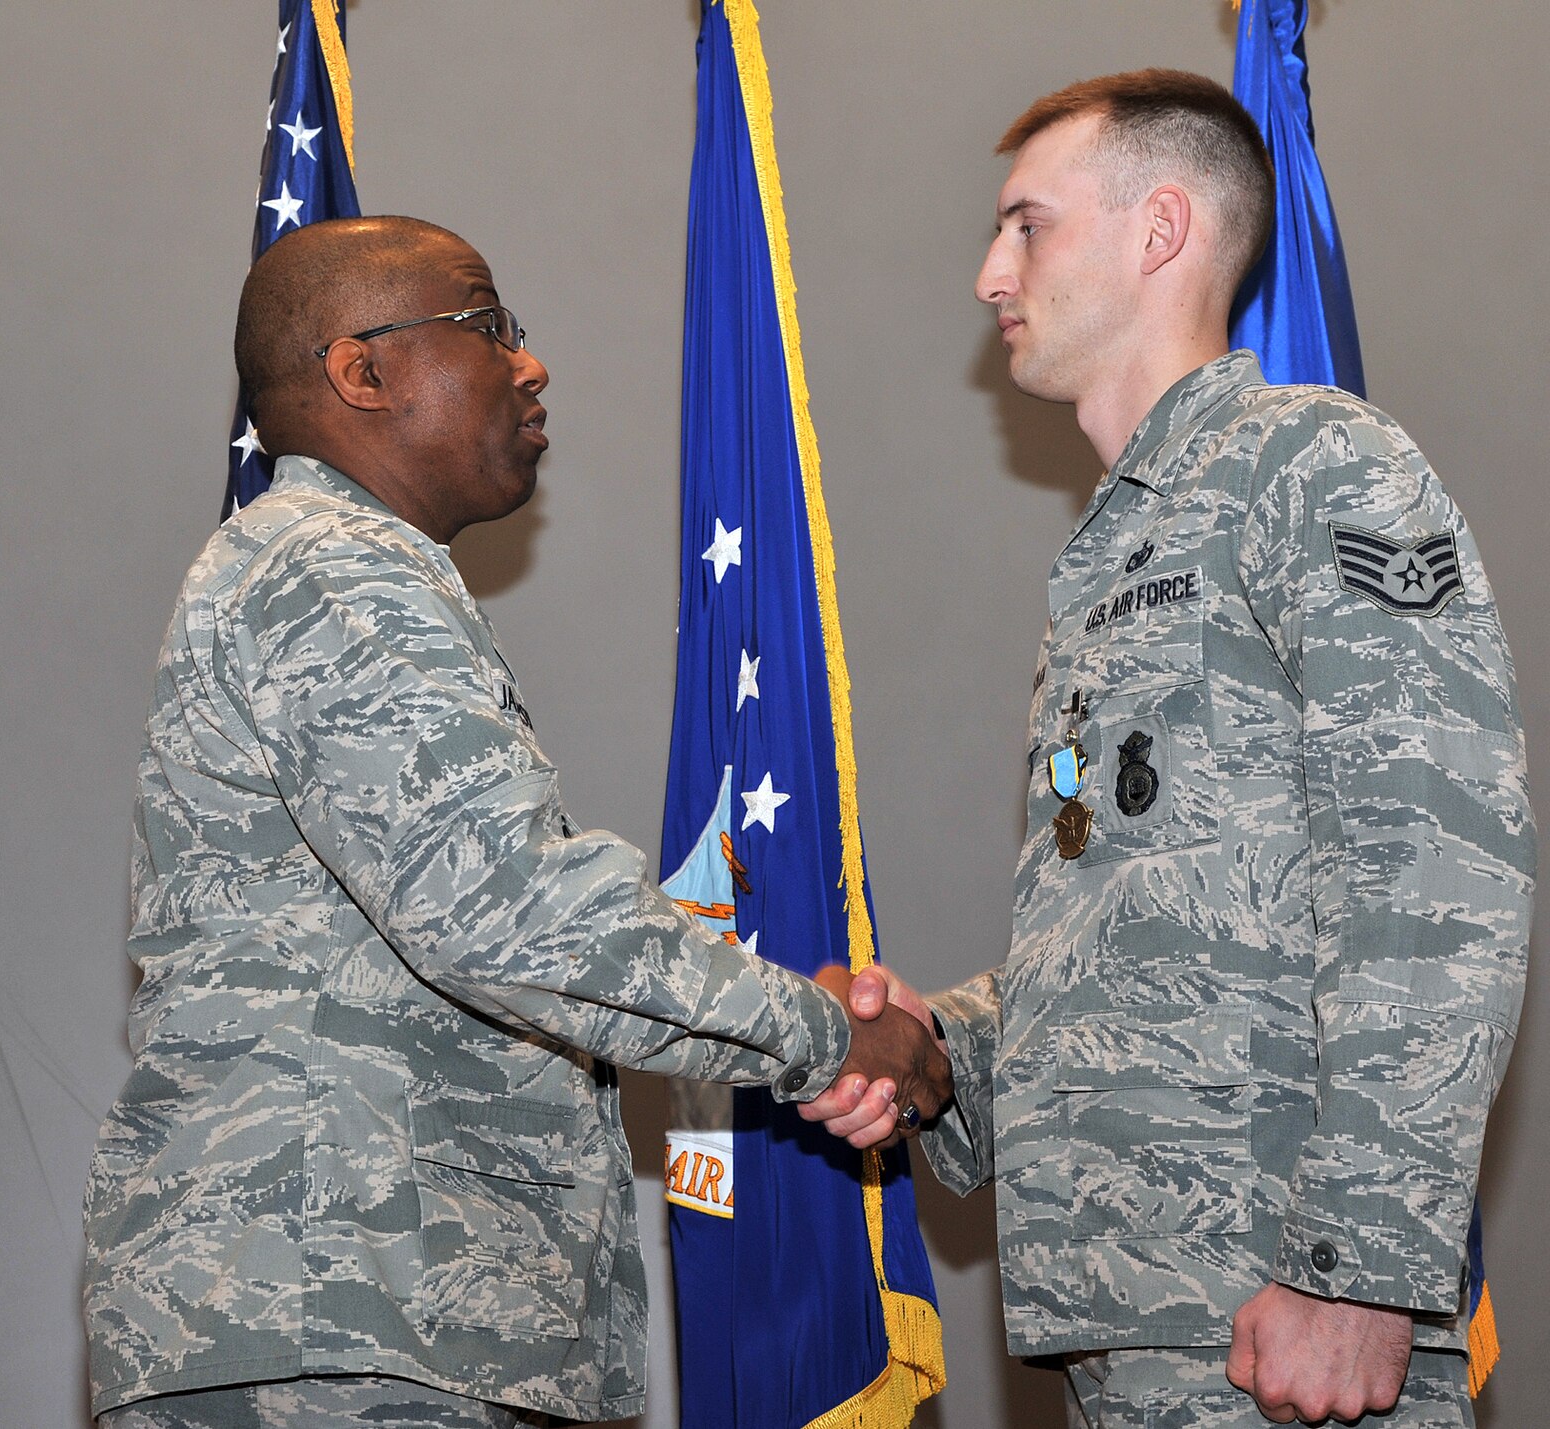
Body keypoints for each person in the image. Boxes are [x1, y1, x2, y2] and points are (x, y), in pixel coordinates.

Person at [81, 215, 949, 1429]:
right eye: (487, 328)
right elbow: (507, 912)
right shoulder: (332, 566)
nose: (528, 364)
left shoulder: (324, 566)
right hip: (345, 1328)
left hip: (378, 1323)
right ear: (361, 371)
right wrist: (820, 1033)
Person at [802, 70, 1534, 1428]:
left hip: (1279, 1320)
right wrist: (940, 1051)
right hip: (1141, 1320)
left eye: (1028, 226)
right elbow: (1141, 936)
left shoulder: (1314, 470)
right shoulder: (1118, 550)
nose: (987, 274)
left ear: (1160, 230)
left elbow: (1437, 870)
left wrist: (1358, 1268)